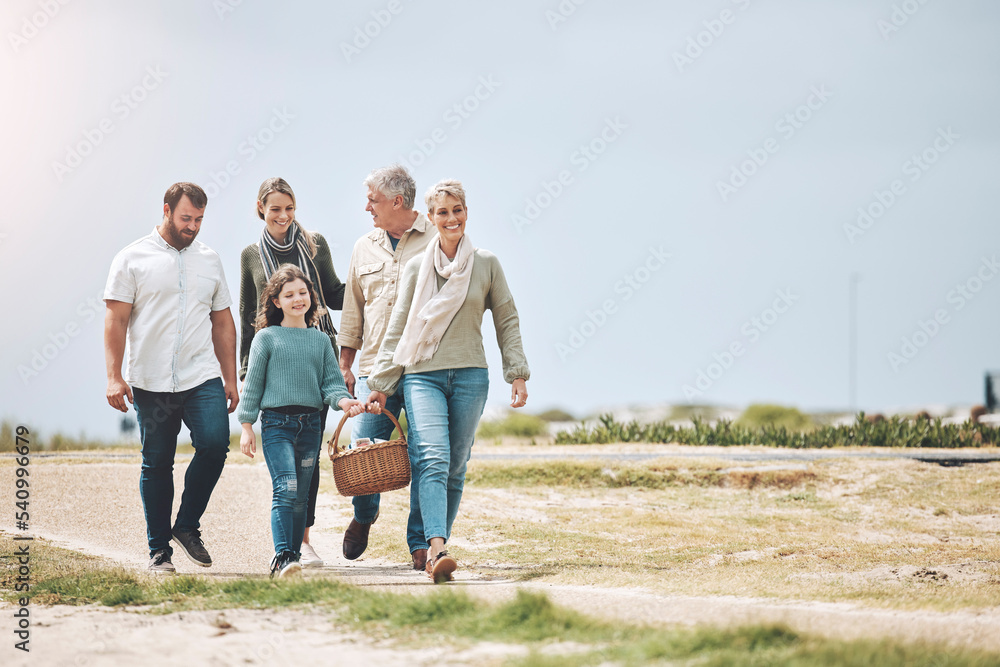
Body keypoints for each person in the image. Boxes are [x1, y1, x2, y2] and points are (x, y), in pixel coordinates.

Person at [365, 179, 530, 583]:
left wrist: (518, 372)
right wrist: (382, 381)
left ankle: (430, 545)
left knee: (455, 465)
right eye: (442, 212)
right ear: (431, 217)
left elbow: (506, 318)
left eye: (457, 210)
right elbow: (398, 325)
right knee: (433, 458)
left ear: (466, 212)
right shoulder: (419, 266)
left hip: (472, 376)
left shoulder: (487, 263)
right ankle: (437, 549)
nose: (451, 218)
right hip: (423, 376)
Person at [104, 182, 239, 573]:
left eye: (198, 220)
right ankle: (159, 551)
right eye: (185, 218)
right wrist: (114, 376)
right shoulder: (132, 258)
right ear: (166, 210)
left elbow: (222, 322)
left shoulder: (210, 260)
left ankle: (186, 525)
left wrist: (230, 378)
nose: (192, 227)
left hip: (202, 375)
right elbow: (115, 319)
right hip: (151, 380)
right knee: (157, 462)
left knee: (215, 445)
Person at [239, 177, 345, 567]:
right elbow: (248, 311)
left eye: (289, 208)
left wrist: (375, 287)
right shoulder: (251, 255)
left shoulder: (314, 245)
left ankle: (303, 539)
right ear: (261, 210)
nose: (283, 216)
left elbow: (333, 292)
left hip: (317, 355)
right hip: (275, 360)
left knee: (308, 465)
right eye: (275, 209)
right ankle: (289, 551)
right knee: (287, 480)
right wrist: (247, 369)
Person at [238, 265, 364, 578]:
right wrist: (246, 426)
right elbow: (252, 385)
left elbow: (332, 384)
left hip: (310, 426)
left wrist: (345, 401)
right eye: (289, 294)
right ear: (276, 301)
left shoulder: (320, 341)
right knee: (286, 487)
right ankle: (282, 558)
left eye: (303, 293)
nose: (298, 299)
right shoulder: (265, 339)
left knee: (301, 496)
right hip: (276, 425)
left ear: (311, 298)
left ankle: (291, 560)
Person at [337, 165, 433, 569]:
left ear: (398, 201)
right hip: (374, 366)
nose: (366, 208)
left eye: (373, 200)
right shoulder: (364, 246)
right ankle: (364, 515)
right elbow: (353, 310)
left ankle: (419, 542)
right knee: (363, 448)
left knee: (427, 455)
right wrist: (345, 364)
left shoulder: (436, 239)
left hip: (425, 367)